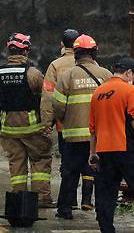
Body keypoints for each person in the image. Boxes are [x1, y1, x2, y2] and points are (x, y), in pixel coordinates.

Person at [89, 57, 134, 233]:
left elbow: (92, 128)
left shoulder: (98, 92)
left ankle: (106, 229)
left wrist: (92, 153)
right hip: (126, 149)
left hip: (103, 151)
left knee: (105, 194)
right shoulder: (129, 89)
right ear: (129, 73)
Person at [52, 34, 112, 219]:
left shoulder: (67, 75)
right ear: (94, 53)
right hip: (99, 136)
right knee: (100, 173)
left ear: (76, 53)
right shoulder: (106, 75)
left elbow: (58, 105)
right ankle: (101, 210)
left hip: (73, 136)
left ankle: (65, 209)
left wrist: (64, 118)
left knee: (69, 172)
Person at [0, 32, 54, 208]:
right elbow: (45, 98)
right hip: (32, 127)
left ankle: (18, 197)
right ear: (26, 51)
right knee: (40, 161)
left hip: (9, 129)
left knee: (16, 164)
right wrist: (48, 122)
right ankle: (41, 198)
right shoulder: (33, 74)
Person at [41, 28, 80, 208]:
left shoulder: (55, 66)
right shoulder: (91, 64)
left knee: (68, 163)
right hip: (89, 126)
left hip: (64, 126)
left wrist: (46, 122)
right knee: (89, 162)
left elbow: (48, 96)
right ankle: (86, 199)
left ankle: (69, 200)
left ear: (62, 45)